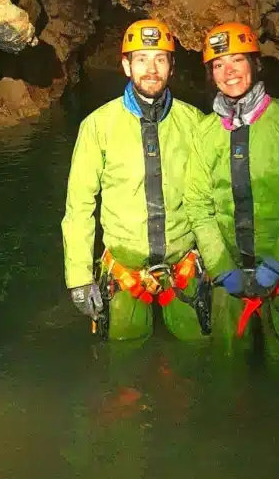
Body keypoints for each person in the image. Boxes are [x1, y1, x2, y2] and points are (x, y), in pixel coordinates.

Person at [183, 21, 279, 361]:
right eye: (218, 65)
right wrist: (222, 268)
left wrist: (278, 263)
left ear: (255, 63)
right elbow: (197, 205)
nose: (229, 72)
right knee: (227, 375)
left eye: (237, 60)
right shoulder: (205, 133)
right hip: (229, 278)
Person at [62, 19, 208, 342]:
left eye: (160, 59)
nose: (151, 68)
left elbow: (214, 197)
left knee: (200, 350)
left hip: (183, 265)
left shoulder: (196, 123)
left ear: (171, 67)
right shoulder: (97, 127)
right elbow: (79, 206)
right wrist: (78, 277)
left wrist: (220, 260)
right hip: (124, 272)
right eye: (141, 59)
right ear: (126, 66)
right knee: (125, 366)